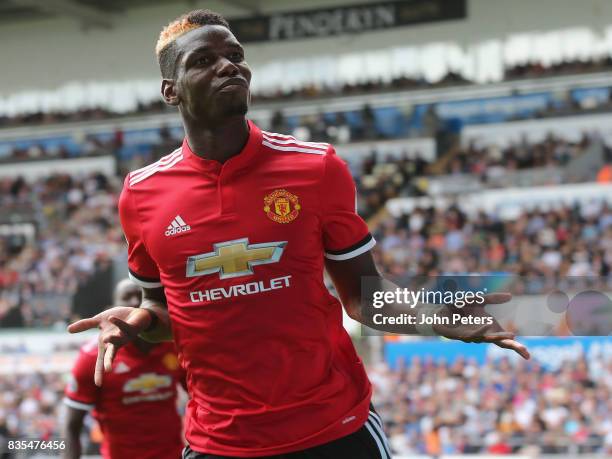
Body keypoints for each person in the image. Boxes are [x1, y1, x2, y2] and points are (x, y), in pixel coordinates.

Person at [68, 10, 529, 459]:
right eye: (203, 61)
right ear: (171, 91)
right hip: (219, 442)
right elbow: (162, 311)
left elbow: (364, 298)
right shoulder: (141, 194)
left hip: (336, 429)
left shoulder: (315, 167)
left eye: (235, 54)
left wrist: (441, 317)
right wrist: (136, 325)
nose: (229, 65)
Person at [63, 279, 185, 459]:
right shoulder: (92, 357)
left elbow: (198, 395)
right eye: (127, 297)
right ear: (113, 308)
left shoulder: (175, 346)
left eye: (142, 296)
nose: (136, 302)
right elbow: (72, 427)